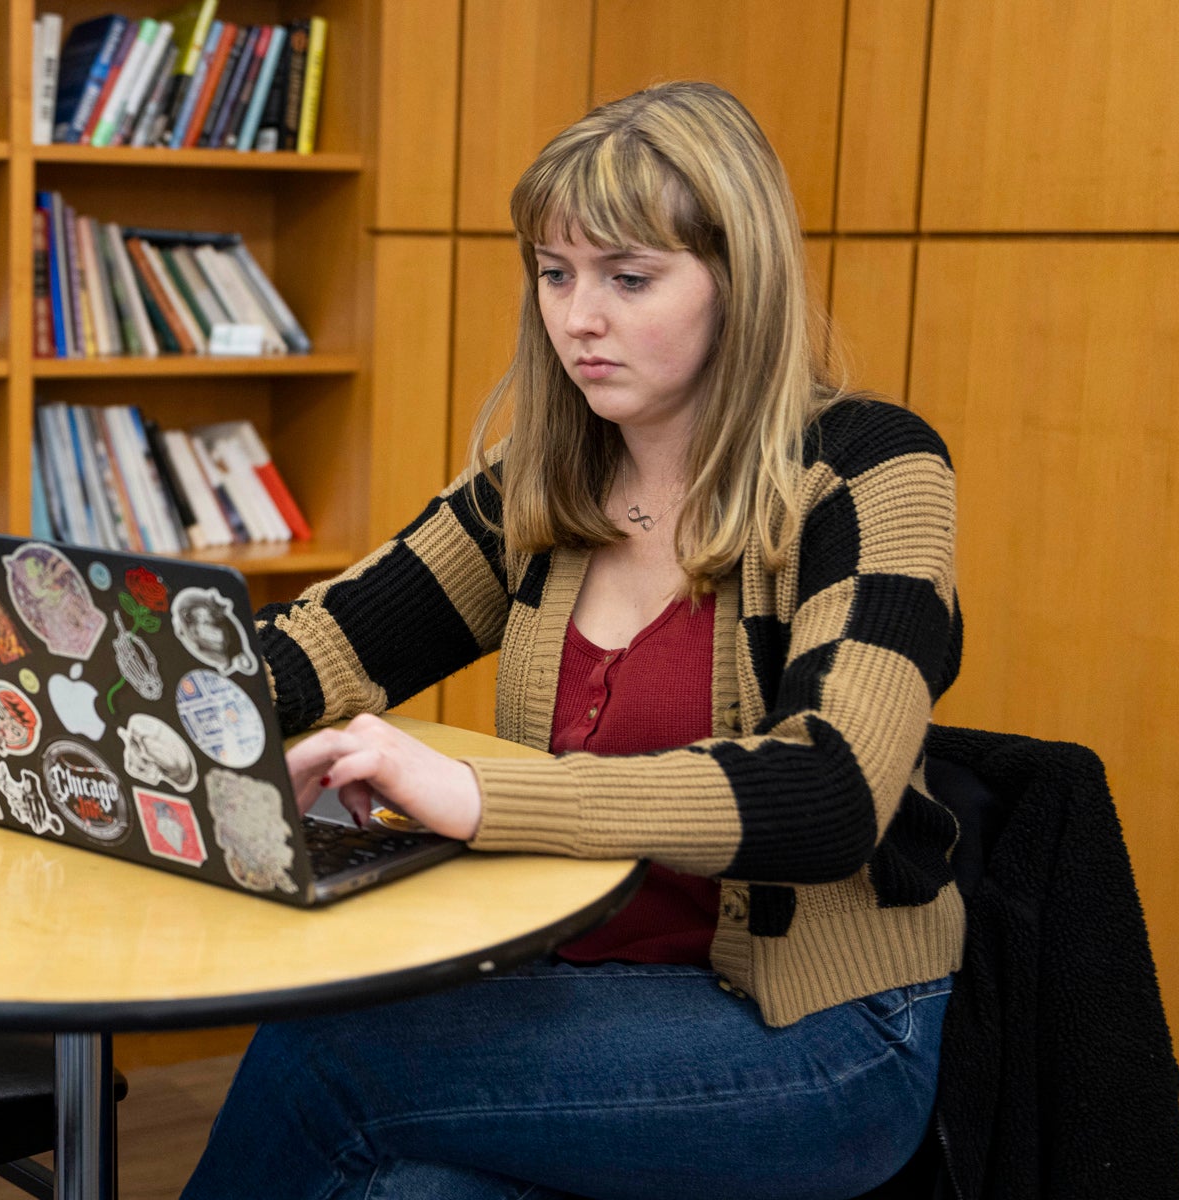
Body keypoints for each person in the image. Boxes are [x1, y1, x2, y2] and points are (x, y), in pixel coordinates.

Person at [180, 81, 964, 1200]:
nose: (575, 318)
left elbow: (831, 793)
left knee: (329, 1057)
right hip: (574, 983)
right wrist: (118, 697)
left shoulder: (869, 470)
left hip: (816, 1035)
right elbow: (325, 646)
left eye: (627, 278)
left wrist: (478, 796)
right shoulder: (545, 485)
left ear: (740, 284)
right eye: (554, 274)